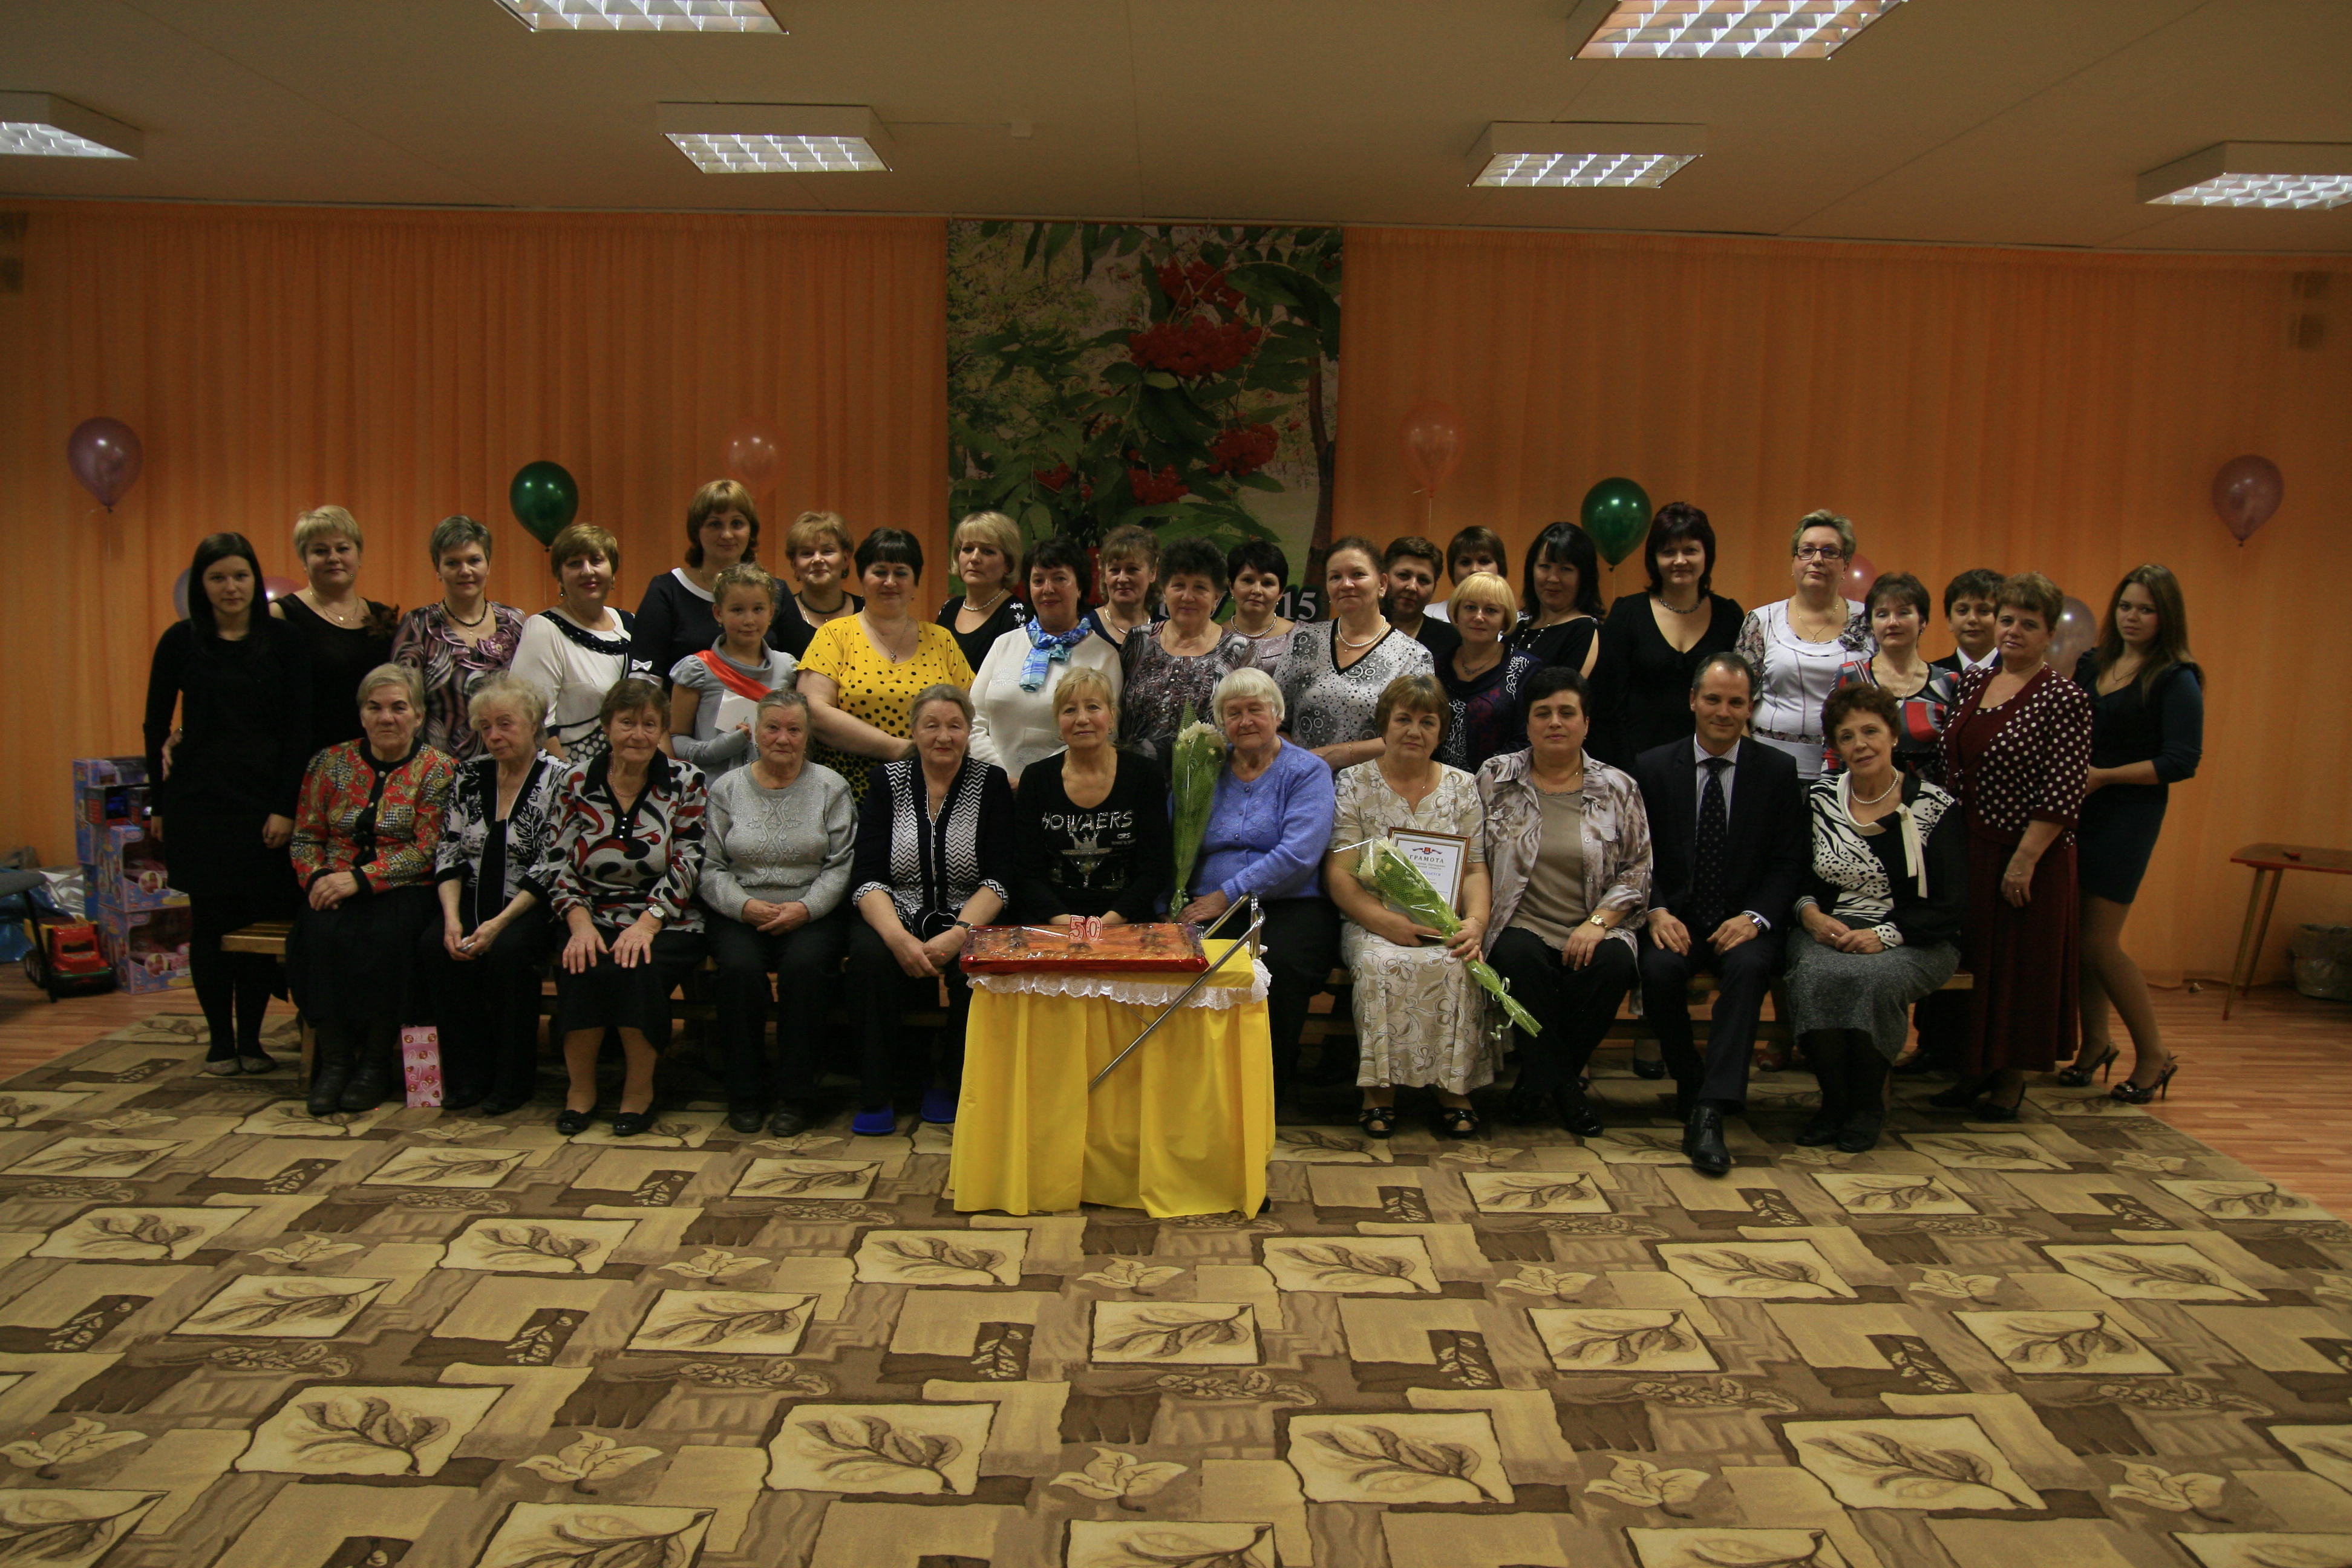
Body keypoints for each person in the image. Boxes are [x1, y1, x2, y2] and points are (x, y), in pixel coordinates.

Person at [1629, 653, 1808, 1174]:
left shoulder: (1777, 771)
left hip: (1744, 921)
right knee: (1658, 971)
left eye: (1736, 702)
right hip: (1676, 918)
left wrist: (1756, 917)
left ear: (1750, 708)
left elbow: (1788, 862)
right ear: (1693, 701)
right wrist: (1656, 909)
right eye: (1713, 699)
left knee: (1750, 970)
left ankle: (1710, 1108)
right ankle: (1691, 1079)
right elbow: (1637, 855)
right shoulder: (1653, 767)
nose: (1723, 712)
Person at [145, 533, 311, 1076]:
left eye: (240, 576)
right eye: (218, 578)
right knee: (210, 925)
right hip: (198, 805)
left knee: (254, 926)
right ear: (202, 585)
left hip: (262, 804)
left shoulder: (284, 641)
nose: (231, 587)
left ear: (255, 580)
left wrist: (286, 806)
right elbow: (154, 724)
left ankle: (253, 1041)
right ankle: (221, 1041)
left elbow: (299, 730)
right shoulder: (180, 641)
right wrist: (158, 805)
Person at [1932, 572, 2092, 1120]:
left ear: (2049, 635)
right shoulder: (1976, 682)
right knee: (1975, 963)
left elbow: (2063, 791)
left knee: (2019, 972)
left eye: (2029, 623)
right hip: (1969, 848)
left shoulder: (2063, 697)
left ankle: (2010, 1080)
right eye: (2007, 620)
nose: (2013, 631)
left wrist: (2024, 861)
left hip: (2027, 858)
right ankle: (1973, 1070)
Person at [1788, 685, 1966, 1152]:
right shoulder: (1820, 798)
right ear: (1836, 747)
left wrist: (1885, 935)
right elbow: (1794, 874)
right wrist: (1810, 915)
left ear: (1893, 735)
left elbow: (1950, 904)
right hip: (1828, 928)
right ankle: (1833, 1103)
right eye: (1847, 737)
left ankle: (1867, 1106)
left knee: (1874, 980)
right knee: (1814, 976)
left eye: (1871, 731)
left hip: (1916, 935)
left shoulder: (1933, 806)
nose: (1860, 744)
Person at [1480, 668, 1650, 1135]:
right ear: (1528, 723)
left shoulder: (1619, 787)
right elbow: (1473, 857)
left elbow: (1638, 869)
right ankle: (1567, 1091)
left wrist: (1598, 923)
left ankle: (1537, 1082)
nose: (1555, 722)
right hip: (1519, 924)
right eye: (1543, 713)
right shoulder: (1495, 777)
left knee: (1615, 964)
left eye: (1566, 713)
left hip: (1595, 924)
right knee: (1516, 957)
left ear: (1586, 723)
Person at [1324, 676, 1494, 1140]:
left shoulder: (1462, 786)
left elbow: (1476, 869)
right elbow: (1340, 872)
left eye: (1427, 722)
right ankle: (1379, 1092)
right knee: (1380, 963)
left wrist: (1475, 923)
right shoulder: (1354, 782)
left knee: (1459, 963)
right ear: (1385, 724)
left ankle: (1452, 1089)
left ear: (1441, 732)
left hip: (1444, 921)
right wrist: (1382, 921)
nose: (1414, 731)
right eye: (1403, 719)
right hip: (1371, 918)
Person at [289, 664, 455, 1117]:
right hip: (333, 882)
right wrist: (318, 878)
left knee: (391, 937)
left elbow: (428, 849)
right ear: (361, 714)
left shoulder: (439, 770)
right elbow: (305, 837)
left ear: (418, 715)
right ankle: (336, 1063)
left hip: (404, 886)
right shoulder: (329, 763)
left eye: (399, 707)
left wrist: (362, 879)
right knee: (319, 936)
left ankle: (375, 1066)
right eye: (374, 708)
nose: (386, 718)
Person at [544, 678, 708, 1138]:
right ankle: (581, 1091)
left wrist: (648, 924)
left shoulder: (686, 780)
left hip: (668, 914)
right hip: (590, 909)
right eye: (627, 722)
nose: (638, 734)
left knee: (638, 967)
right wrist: (579, 924)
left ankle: (638, 1092)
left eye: (650, 724)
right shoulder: (575, 781)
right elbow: (556, 862)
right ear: (606, 726)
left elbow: (690, 860)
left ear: (662, 730)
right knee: (583, 962)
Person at [849, 685, 1013, 1134]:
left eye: (955, 726)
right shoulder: (886, 782)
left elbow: (1000, 878)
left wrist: (959, 934)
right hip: (897, 910)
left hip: (969, 913)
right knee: (868, 959)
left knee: (975, 968)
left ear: (968, 732)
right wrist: (897, 938)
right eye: (932, 725)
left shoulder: (991, 783)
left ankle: (949, 1081)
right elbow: (867, 876)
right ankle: (878, 1089)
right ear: (914, 731)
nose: (944, 736)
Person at [2068, 564, 2201, 1103]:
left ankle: (2154, 1054)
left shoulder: (2175, 677)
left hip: (2129, 814)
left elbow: (2181, 760)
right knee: (2080, 939)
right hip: (2079, 809)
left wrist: (2105, 777)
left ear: (2166, 617)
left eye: (2147, 609)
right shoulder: (2093, 662)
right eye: (2126, 606)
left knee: (2100, 942)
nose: (2133, 617)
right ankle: (2096, 1043)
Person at [1175, 668, 1339, 1097]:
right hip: (1203, 904)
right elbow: (1172, 840)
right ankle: (1199, 1093)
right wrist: (1168, 904)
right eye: (1233, 713)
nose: (1245, 721)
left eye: (1255, 710)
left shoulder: (1307, 771)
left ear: (1278, 714)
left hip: (1289, 905)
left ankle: (1265, 1093)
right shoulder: (1202, 769)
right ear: (1222, 722)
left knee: (1278, 967)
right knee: (1185, 962)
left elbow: (1299, 855)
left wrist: (1226, 896)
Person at [701, 688, 857, 1137]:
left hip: (811, 911)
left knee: (805, 971)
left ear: (808, 737)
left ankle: (796, 1095)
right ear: (756, 731)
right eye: (772, 728)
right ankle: (745, 1092)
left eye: (794, 729)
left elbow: (842, 864)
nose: (782, 739)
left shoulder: (831, 787)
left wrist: (806, 909)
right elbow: (710, 867)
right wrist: (743, 906)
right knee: (739, 971)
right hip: (742, 908)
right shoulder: (727, 789)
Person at [421, 673, 563, 1115]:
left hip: (530, 903)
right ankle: (466, 1077)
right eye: (485, 727)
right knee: (438, 945)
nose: (494, 735)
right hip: (471, 894)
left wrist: (498, 924)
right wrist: (452, 919)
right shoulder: (468, 775)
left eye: (505, 724)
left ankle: (512, 1081)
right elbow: (449, 850)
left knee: (508, 953)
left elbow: (552, 864)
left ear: (533, 725)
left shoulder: (560, 779)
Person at [798, 528, 975, 802]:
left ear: (915, 583)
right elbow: (815, 712)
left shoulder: (942, 639)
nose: (890, 582)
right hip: (848, 795)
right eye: (880, 572)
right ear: (862, 578)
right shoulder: (834, 634)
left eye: (901, 573)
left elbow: (971, 713)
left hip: (932, 794)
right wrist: (900, 750)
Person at [1592, 502, 1746, 768]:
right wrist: (1624, 767)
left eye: (1690, 550)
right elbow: (1609, 702)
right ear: (1654, 558)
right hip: (1635, 763)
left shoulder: (1729, 615)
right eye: (1668, 552)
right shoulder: (1628, 613)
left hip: (1709, 763)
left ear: (1707, 555)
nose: (1680, 561)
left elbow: (1737, 697)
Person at [1013, 668, 1172, 924]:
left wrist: (1108, 923)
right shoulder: (1036, 778)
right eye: (1070, 710)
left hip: (1125, 920)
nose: (1082, 719)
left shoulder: (1144, 774)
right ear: (1058, 722)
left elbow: (1155, 868)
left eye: (1093, 707)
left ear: (1112, 717)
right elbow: (1026, 873)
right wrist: (1067, 924)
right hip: (1053, 922)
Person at [1275, 534, 1437, 771]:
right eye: (1335, 577)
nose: (1346, 584)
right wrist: (1303, 763)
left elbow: (1417, 734)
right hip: (1302, 781)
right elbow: (1275, 719)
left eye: (1358, 574)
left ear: (1382, 584)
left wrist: (1340, 755)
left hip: (1375, 785)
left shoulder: (1413, 656)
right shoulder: (1303, 640)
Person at [970, 534, 1122, 785]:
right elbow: (972, 721)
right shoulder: (1004, 644)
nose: (1048, 589)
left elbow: (1106, 732)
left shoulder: (1104, 656)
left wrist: (1033, 782)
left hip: (1064, 789)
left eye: (1059, 578)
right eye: (1038, 580)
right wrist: (1001, 778)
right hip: (993, 786)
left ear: (1080, 587)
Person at [1735, 510, 1873, 782]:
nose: (1817, 560)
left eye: (1830, 552)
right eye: (1807, 551)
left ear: (1845, 566)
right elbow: (1737, 702)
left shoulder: (1869, 620)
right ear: (1794, 562)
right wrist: (1750, 765)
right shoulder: (1762, 621)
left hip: (1848, 773)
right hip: (1768, 771)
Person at [390, 515, 526, 761]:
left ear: (488, 565)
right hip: (437, 768)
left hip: (508, 764)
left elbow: (528, 701)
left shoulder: (515, 621)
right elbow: (402, 704)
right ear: (438, 570)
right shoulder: (418, 624)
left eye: (474, 560)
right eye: (453, 563)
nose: (465, 571)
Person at [275, 505, 400, 760]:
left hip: (376, 760)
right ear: (303, 560)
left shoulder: (382, 616)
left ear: (359, 556)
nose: (333, 558)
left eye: (343, 549)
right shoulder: (281, 615)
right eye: (320, 551)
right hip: (307, 760)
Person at [1119, 536, 1254, 763]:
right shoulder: (1139, 640)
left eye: (1200, 587)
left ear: (1216, 597)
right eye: (1179, 585)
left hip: (1207, 779)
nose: (1187, 597)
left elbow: (1248, 726)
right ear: (1164, 591)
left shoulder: (1240, 650)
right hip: (1133, 775)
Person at [510, 522, 634, 763]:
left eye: (596, 560)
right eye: (575, 563)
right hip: (570, 775)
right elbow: (534, 723)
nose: (587, 571)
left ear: (613, 571)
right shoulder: (544, 629)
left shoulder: (631, 624)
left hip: (631, 772)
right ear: (560, 576)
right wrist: (571, 780)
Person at [668, 562, 798, 777]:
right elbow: (677, 739)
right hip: (715, 789)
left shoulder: (788, 668)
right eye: (737, 610)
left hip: (776, 785)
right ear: (719, 613)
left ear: (771, 612)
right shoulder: (697, 670)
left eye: (758, 609)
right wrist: (719, 748)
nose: (749, 620)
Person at [630, 479, 761, 687]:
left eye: (737, 524)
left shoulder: (776, 592)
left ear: (750, 530)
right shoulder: (667, 591)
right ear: (697, 531)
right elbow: (644, 685)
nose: (727, 535)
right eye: (715, 524)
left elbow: (800, 675)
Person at [1830, 572, 1957, 783]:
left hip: (1928, 798)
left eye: (1903, 613)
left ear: (1923, 621)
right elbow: (1833, 748)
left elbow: (1953, 756)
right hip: (1860, 796)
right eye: (1882, 614)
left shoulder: (1948, 682)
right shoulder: (1850, 675)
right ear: (1871, 625)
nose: (1892, 623)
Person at [1437, 572, 1541, 774]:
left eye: (1491, 610)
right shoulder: (1435, 666)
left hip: (1501, 784)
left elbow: (1526, 740)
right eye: (1470, 607)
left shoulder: (1525, 670)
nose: (1478, 617)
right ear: (1456, 613)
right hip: (1437, 785)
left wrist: (1481, 780)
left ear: (1505, 620)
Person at [938, 509, 1030, 670]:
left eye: (988, 551)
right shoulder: (950, 607)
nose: (974, 558)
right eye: (968, 549)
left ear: (1008, 564)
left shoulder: (1017, 615)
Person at [1508, 521, 1604, 673]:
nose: (1553, 578)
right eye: (1544, 567)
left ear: (1584, 576)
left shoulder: (1585, 631)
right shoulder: (1517, 629)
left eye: (1566, 569)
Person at [768, 510, 864, 661]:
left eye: (827, 551)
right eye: (807, 553)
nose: (818, 559)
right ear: (795, 564)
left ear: (845, 559)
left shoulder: (867, 612)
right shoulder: (779, 616)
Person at [1382, 535, 1462, 667]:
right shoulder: (1355, 630)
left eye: (1423, 580)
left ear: (1434, 589)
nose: (1412, 587)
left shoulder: (1451, 640)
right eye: (1404, 576)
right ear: (1383, 579)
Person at [1224, 539, 1296, 672]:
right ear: (1231, 586)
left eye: (1267, 583)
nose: (1257, 590)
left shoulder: (1300, 638)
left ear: (1281, 592)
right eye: (1248, 580)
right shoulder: (1213, 639)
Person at [1085, 523, 1159, 650]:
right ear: (1104, 574)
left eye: (1132, 569)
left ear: (1152, 573)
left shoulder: (1166, 629)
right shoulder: (1085, 629)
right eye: (1115, 570)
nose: (1122, 579)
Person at [1422, 526, 1508, 626]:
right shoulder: (1425, 616)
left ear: (1500, 567)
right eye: (1465, 562)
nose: (1474, 570)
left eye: (1484, 561)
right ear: (1453, 570)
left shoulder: (1519, 626)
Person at [1930, 568, 2004, 679]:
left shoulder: (2019, 675)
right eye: (1962, 611)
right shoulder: (1931, 677)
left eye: (1984, 611)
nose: (1972, 619)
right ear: (1949, 620)